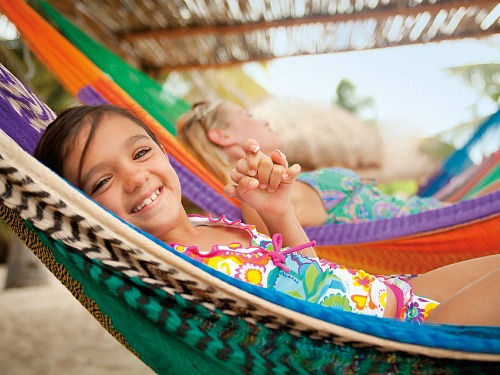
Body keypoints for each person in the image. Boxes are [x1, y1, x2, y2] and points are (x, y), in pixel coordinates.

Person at [34, 104, 500, 327]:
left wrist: (279, 215)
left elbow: (309, 279)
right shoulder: (168, 274)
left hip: (400, 294)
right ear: (87, 209)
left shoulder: (204, 225)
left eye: (140, 153)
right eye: (101, 182)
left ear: (163, 154)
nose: (134, 178)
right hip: (402, 336)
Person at [176, 100, 446, 234]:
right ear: (222, 136)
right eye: (248, 116)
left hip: (431, 221)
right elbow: (276, 223)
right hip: (432, 227)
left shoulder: (268, 182)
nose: (265, 122)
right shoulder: (256, 190)